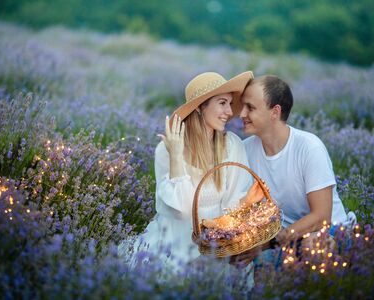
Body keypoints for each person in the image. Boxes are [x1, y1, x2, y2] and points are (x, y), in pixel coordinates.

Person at [119, 71, 258, 272]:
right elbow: (182, 209)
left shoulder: (232, 145)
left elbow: (236, 200)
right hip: (174, 241)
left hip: (217, 240)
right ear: (201, 107)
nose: (229, 111)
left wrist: (221, 241)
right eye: (222, 103)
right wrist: (176, 156)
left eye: (230, 103)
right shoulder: (167, 150)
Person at [230, 75, 356, 268]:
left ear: (275, 112)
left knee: (313, 247)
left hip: (328, 231)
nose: (242, 114)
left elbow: (321, 217)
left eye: (251, 108)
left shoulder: (308, 147)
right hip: (281, 239)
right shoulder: (246, 150)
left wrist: (266, 244)